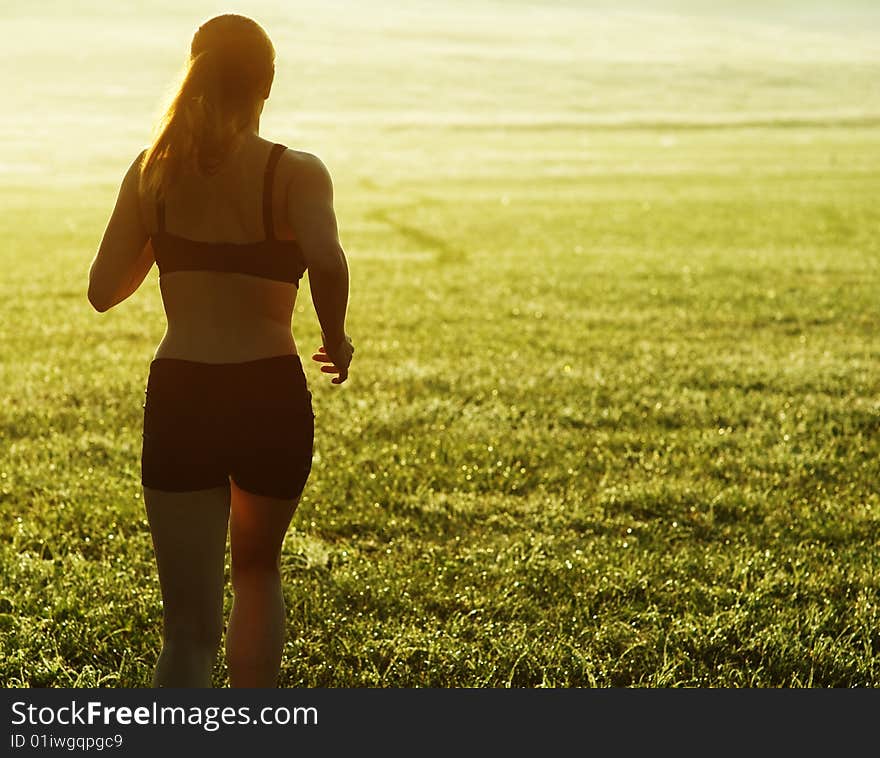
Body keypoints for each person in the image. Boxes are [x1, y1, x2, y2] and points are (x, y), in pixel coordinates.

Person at [87, 13, 354, 688]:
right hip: (269, 391)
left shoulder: (154, 172)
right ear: (267, 84)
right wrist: (334, 336)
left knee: (187, 629)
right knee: (259, 572)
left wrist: (170, 234)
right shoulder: (296, 172)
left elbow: (103, 291)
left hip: (184, 393)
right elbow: (328, 260)